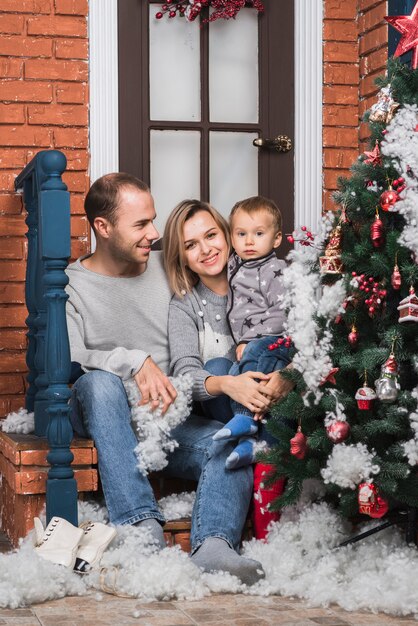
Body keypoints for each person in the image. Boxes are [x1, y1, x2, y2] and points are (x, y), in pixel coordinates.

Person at [65, 173, 266, 586]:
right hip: (105, 411)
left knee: (231, 442)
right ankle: (140, 526)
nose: (154, 235)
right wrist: (133, 360)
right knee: (97, 383)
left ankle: (214, 545)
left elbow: (225, 285)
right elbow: (71, 355)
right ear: (103, 228)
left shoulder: (166, 265)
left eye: (153, 221)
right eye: (141, 225)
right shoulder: (72, 284)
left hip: (168, 418)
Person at [165, 199, 294, 470]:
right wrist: (228, 384)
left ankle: (262, 453)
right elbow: (185, 373)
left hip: (279, 394)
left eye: (211, 235)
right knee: (218, 366)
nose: (205, 249)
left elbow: (307, 333)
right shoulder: (183, 305)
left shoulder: (266, 274)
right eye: (190, 245)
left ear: (226, 235)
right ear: (182, 257)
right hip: (226, 411)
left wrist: (290, 375)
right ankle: (250, 438)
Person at [213, 195, 293, 468]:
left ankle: (246, 419)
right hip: (251, 346)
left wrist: (250, 339)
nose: (249, 241)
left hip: (275, 341)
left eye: (259, 234)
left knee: (257, 365)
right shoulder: (234, 263)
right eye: (241, 234)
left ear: (276, 238)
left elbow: (282, 313)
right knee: (238, 374)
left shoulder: (274, 270)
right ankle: (250, 440)